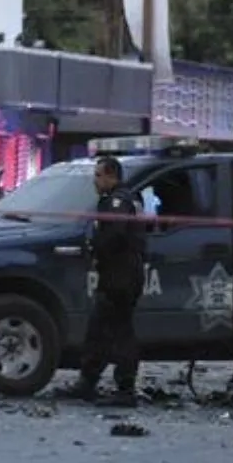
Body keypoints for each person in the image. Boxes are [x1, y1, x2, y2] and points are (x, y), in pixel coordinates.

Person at [56, 157, 146, 407]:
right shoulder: (124, 198)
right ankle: (88, 382)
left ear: (111, 176)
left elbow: (115, 235)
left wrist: (95, 247)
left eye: (98, 175)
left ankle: (125, 389)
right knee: (99, 329)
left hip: (122, 274)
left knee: (119, 330)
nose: (94, 181)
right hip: (118, 273)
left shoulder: (118, 201)